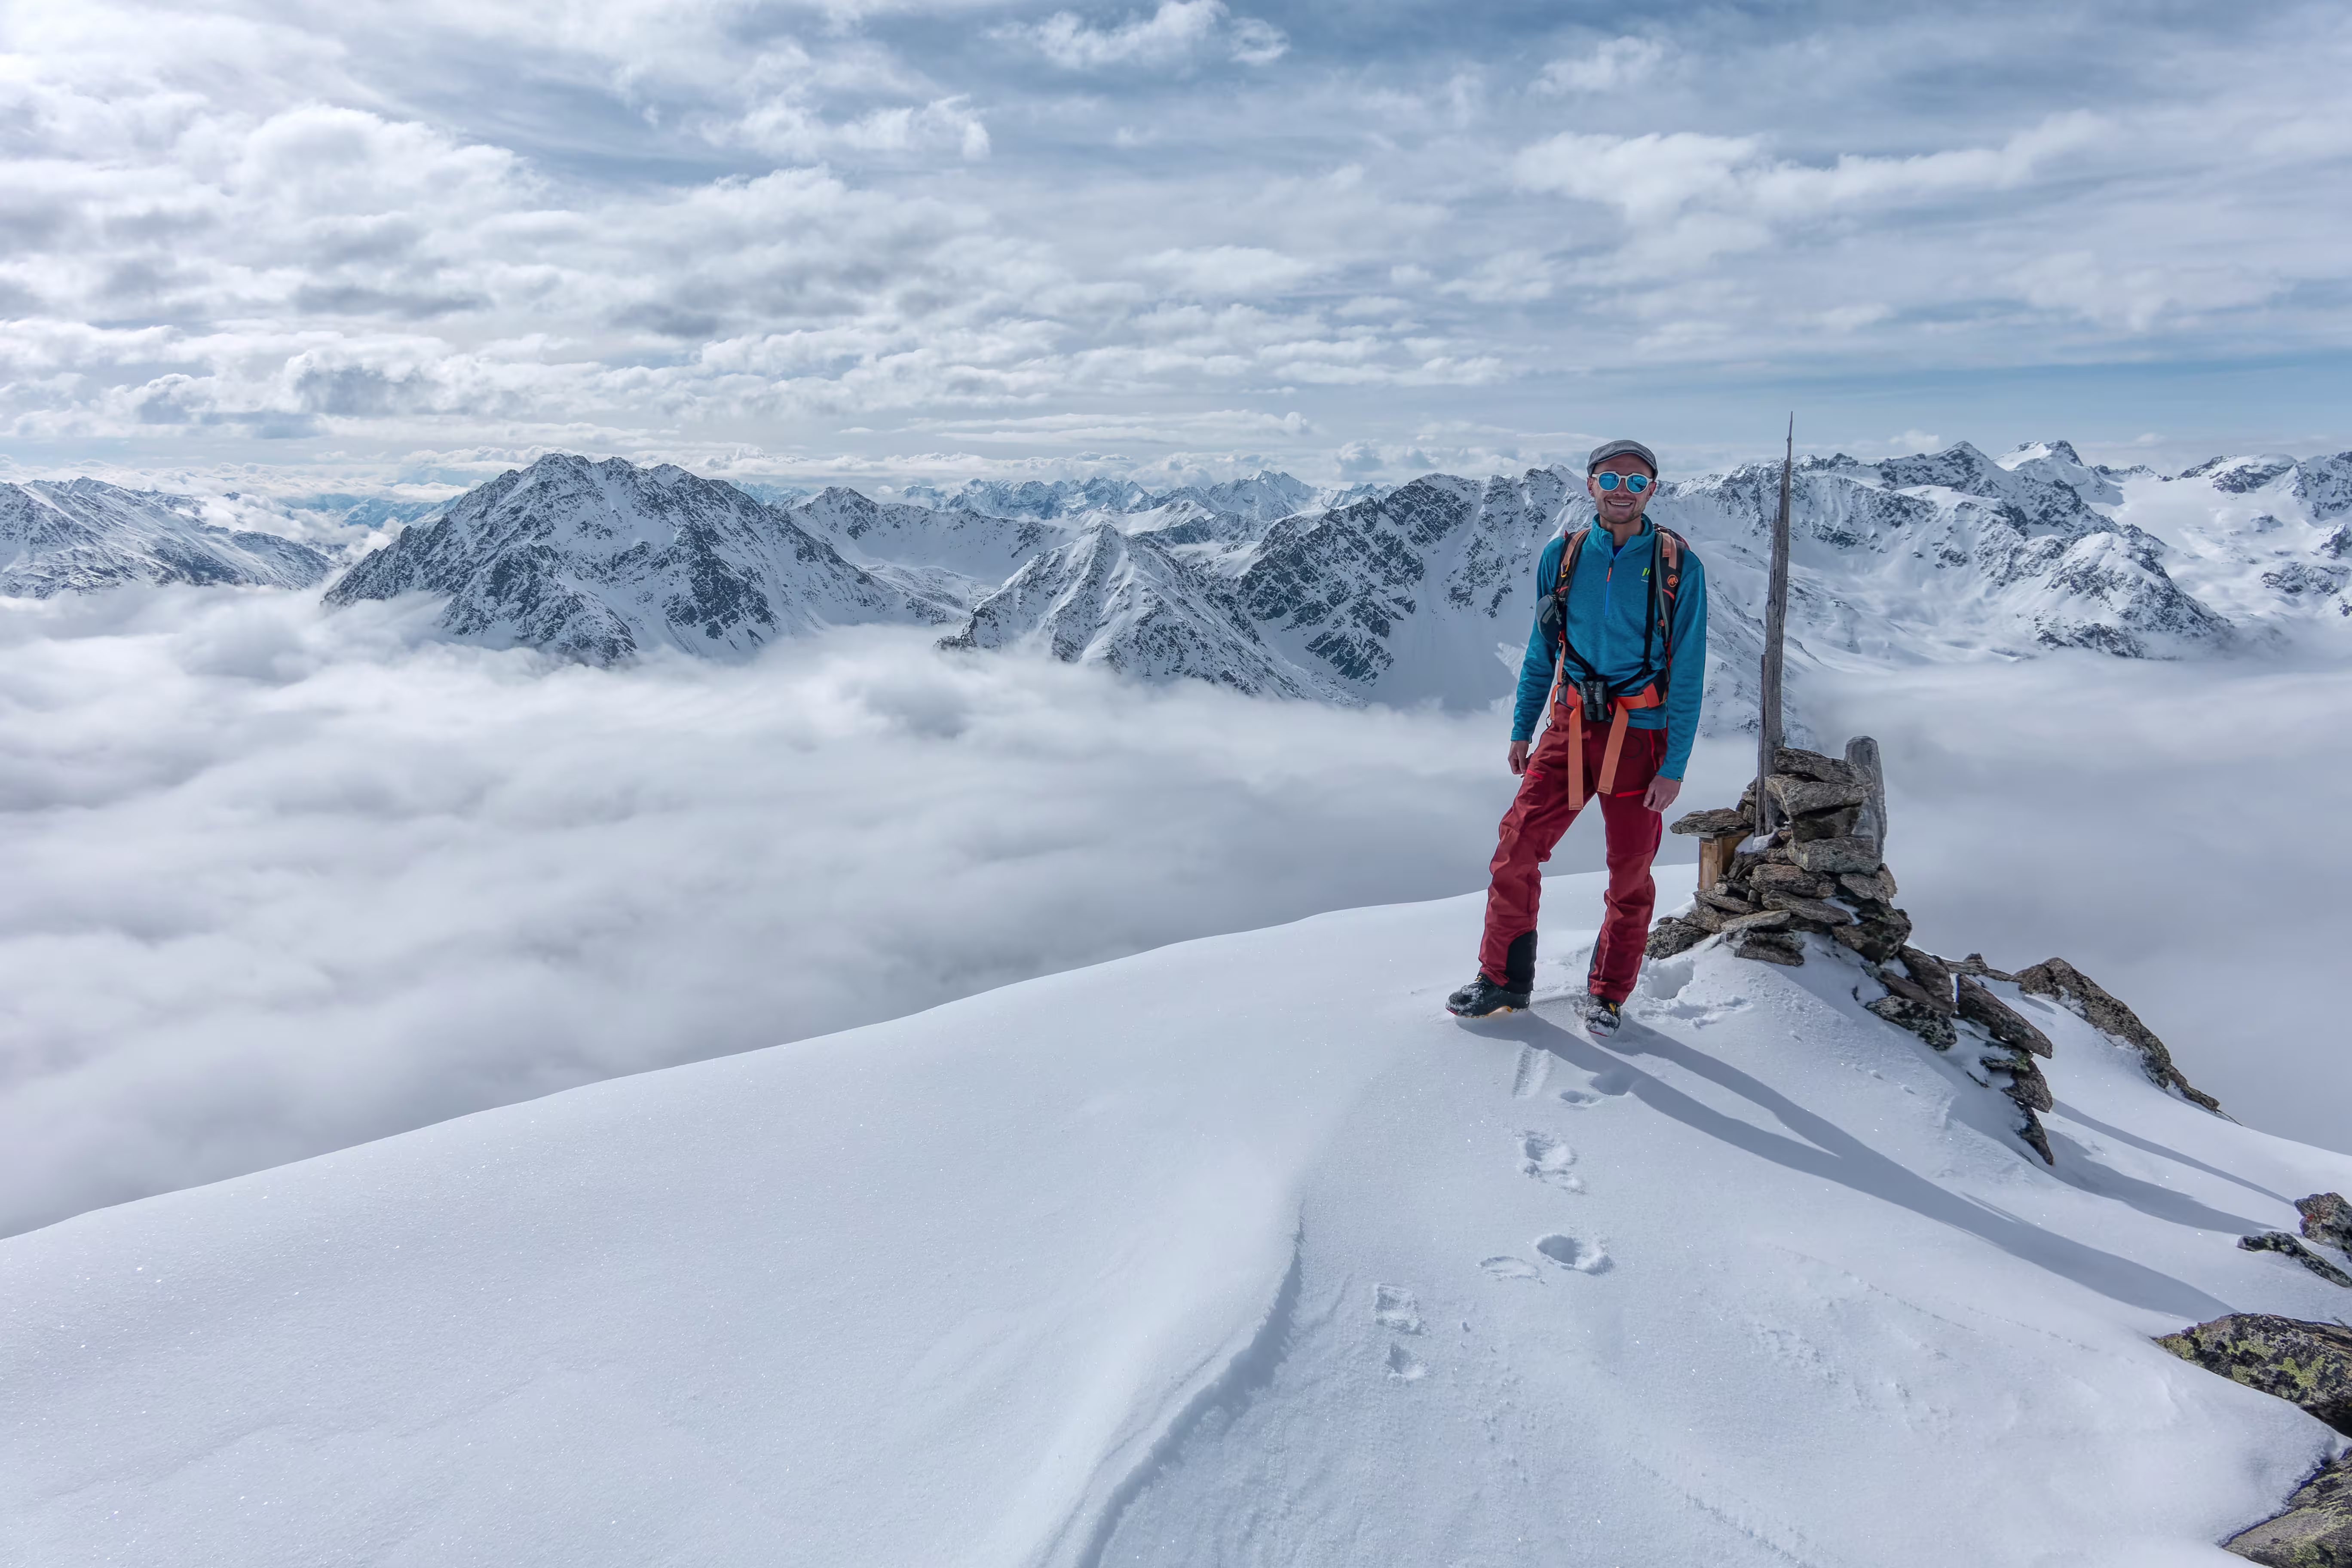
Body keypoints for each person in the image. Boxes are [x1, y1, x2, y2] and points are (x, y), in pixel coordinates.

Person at [1446, 438, 1708, 1035]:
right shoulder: (1561, 557)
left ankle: (1608, 994)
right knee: (1515, 849)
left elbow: (1689, 671)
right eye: (1610, 478)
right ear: (1589, 485)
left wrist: (1675, 767)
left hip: (1642, 738)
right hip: (1567, 730)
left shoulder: (1677, 565)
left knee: (1631, 873)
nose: (1622, 490)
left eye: (1635, 481)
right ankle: (1502, 981)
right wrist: (1522, 728)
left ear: (1653, 490)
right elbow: (1544, 648)